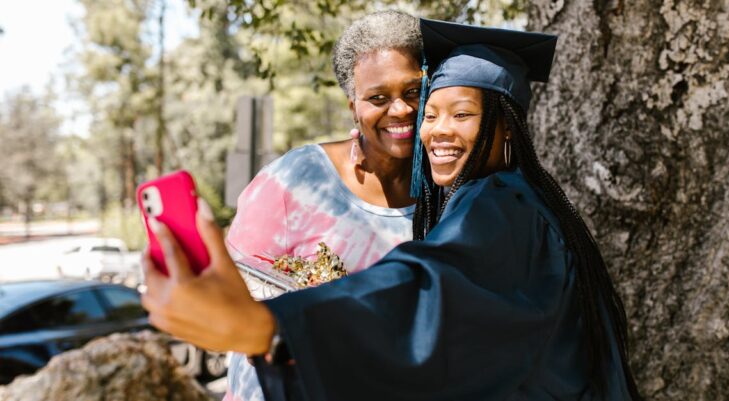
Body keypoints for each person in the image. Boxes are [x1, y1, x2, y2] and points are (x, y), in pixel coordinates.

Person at [141, 18, 642, 401]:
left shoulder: (503, 207)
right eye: (434, 114)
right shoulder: (506, 200)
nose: (436, 129)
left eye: (461, 114)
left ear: (506, 124)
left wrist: (275, 330)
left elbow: (430, 291)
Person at [222, 10, 422, 401]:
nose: (400, 109)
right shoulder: (295, 180)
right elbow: (233, 301)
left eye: (412, 91)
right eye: (378, 98)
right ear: (353, 107)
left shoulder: (447, 192)